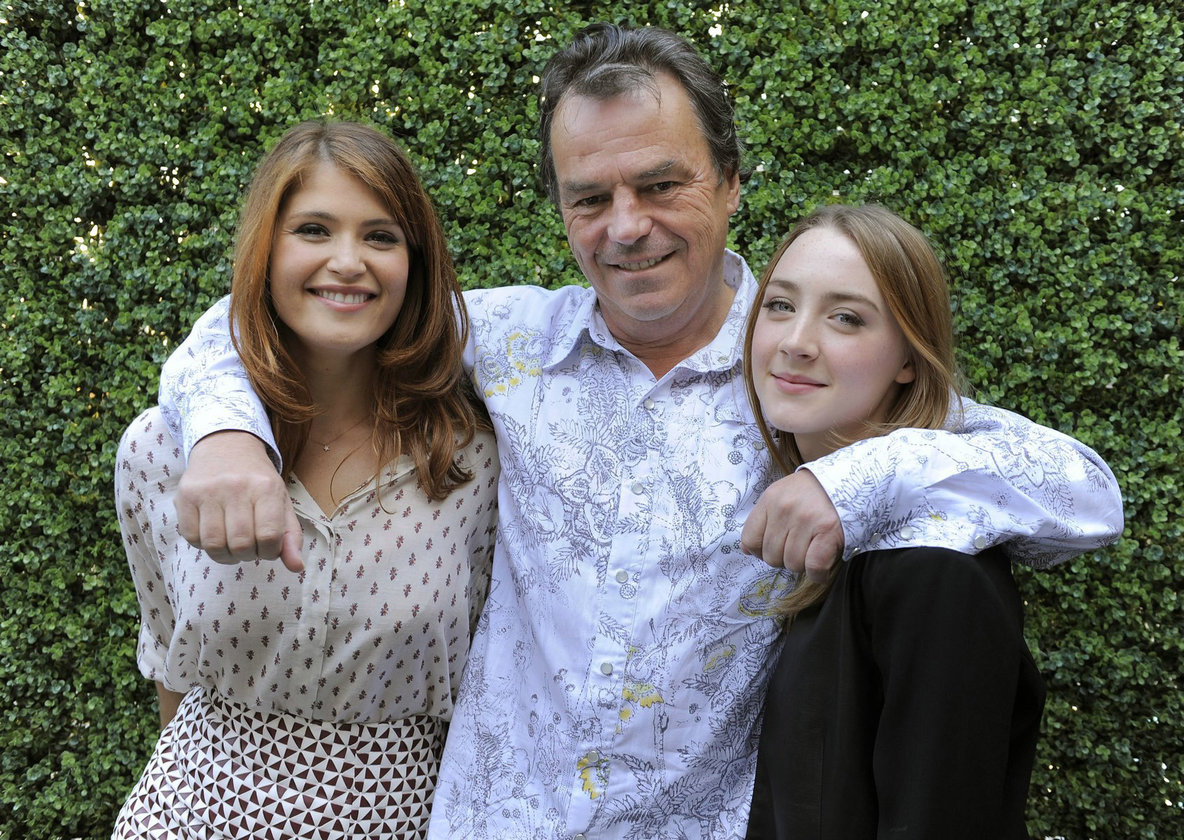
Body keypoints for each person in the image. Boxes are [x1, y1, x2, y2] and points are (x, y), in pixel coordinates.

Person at [155, 25, 1123, 839]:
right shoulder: (504, 341)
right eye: (590, 197)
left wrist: (854, 478)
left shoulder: (801, 368)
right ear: (563, 211)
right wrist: (227, 439)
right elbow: (264, 317)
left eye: (660, 185)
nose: (626, 226)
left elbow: (1080, 491)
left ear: (732, 182)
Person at [112, 120, 499, 840]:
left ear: (414, 261)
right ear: (267, 250)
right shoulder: (163, 452)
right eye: (314, 230)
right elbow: (170, 662)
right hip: (192, 815)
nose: (347, 261)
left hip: (397, 816)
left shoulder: (471, 461)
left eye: (381, 237)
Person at [742, 204, 1067, 839]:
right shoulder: (806, 530)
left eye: (846, 318)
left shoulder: (934, 570)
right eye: (779, 305)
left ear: (909, 359)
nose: (796, 341)